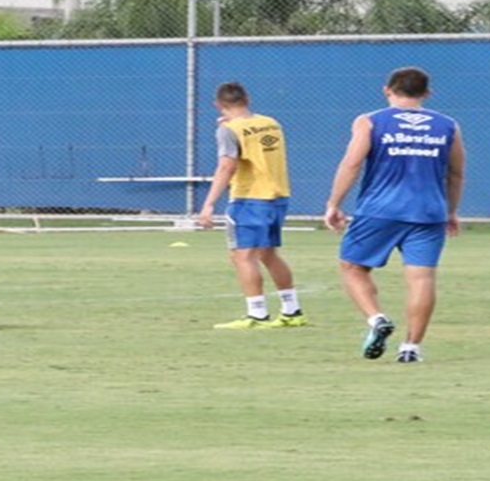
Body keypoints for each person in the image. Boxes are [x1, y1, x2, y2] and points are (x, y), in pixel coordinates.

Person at [324, 67, 465, 363]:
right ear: (427, 93)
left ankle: (376, 319)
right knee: (422, 278)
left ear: (387, 89)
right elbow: (456, 173)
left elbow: (352, 163)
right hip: (429, 212)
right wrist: (451, 210)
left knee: (352, 267)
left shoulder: (370, 121)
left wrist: (334, 203)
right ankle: (411, 348)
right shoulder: (448, 125)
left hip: (380, 209)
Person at [196, 81, 306, 329]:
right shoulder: (271, 122)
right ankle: (292, 310)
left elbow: (227, 166)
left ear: (218, 105)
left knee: (242, 256)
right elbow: (255, 142)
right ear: (247, 98)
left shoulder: (229, 130)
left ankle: (257, 314)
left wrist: (208, 205)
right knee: (268, 253)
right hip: (278, 196)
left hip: (249, 198)